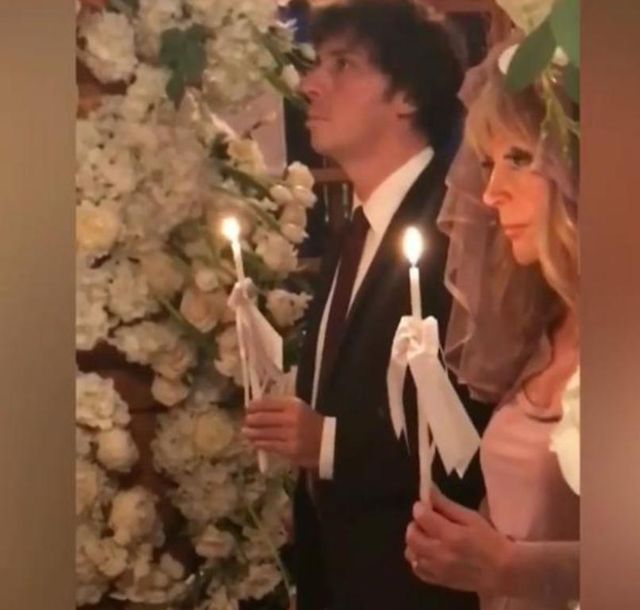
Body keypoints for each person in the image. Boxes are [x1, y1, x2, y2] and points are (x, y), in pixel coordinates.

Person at [243, 1, 489, 609]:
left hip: (414, 583)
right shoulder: (355, 227)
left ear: (406, 96)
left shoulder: (455, 228)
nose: (310, 84)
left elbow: (468, 425)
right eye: (317, 64)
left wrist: (327, 443)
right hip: (342, 574)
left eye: (343, 65)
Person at [404, 43, 580, 610]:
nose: (490, 192)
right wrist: (467, 547)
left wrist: (510, 567)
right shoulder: (543, 330)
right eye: (487, 163)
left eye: (519, 158)